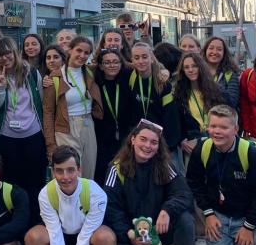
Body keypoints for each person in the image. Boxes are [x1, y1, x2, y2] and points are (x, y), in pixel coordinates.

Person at [103, 120, 195, 245]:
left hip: (159, 227)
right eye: (143, 139)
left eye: (154, 142)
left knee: (185, 219)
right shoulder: (116, 168)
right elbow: (110, 208)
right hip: (131, 230)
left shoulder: (165, 165)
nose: (147, 146)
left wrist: (167, 210)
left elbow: (183, 193)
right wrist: (129, 234)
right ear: (133, 139)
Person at [185, 105, 256, 245]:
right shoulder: (202, 149)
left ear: (236, 129)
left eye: (223, 127)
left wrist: (249, 226)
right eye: (213, 126)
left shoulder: (253, 155)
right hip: (218, 217)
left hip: (246, 218)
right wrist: (208, 214)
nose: (217, 132)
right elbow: (194, 182)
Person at [24, 146, 115, 245]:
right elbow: (55, 237)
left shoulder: (96, 193)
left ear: (79, 170)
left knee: (107, 239)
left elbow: (85, 238)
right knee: (33, 238)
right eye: (59, 171)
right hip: (61, 235)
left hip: (88, 237)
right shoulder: (45, 194)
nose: (65, 177)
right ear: (53, 172)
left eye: (70, 170)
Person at [0, 37, 45, 225]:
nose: (5, 58)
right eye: (0, 55)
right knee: (11, 184)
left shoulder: (32, 73)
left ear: (15, 53)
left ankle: (35, 224)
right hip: (7, 139)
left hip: (33, 136)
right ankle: (14, 225)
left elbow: (41, 102)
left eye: (8, 53)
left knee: (34, 183)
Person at [41, 37, 103, 178]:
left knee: (88, 173)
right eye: (79, 50)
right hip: (66, 128)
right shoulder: (55, 77)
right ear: (70, 50)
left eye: (86, 53)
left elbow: (123, 64)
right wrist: (50, 144)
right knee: (70, 174)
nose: (82, 55)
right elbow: (48, 112)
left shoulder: (90, 72)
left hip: (88, 125)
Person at [121, 42, 181, 169]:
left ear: (152, 58)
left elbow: (170, 116)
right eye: (136, 58)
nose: (141, 61)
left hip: (162, 140)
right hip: (139, 140)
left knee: (169, 174)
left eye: (144, 57)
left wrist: (168, 145)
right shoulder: (130, 78)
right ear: (132, 60)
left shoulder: (162, 82)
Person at [173, 52, 227, 156]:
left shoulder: (215, 90)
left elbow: (225, 115)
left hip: (216, 139)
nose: (190, 70)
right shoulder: (179, 95)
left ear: (201, 67)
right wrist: (182, 140)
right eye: (186, 67)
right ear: (183, 71)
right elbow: (177, 121)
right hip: (193, 143)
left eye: (194, 66)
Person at [92, 47, 126, 184]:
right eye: (107, 62)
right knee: (102, 173)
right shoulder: (93, 82)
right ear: (100, 66)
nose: (112, 65)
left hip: (124, 137)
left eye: (115, 62)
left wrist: (162, 70)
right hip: (101, 137)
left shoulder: (127, 80)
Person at [203, 36, 240, 110]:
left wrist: (213, 85)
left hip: (220, 116)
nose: (214, 52)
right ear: (205, 50)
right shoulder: (198, 72)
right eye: (211, 48)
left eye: (219, 49)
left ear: (224, 53)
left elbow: (232, 102)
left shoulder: (230, 74)